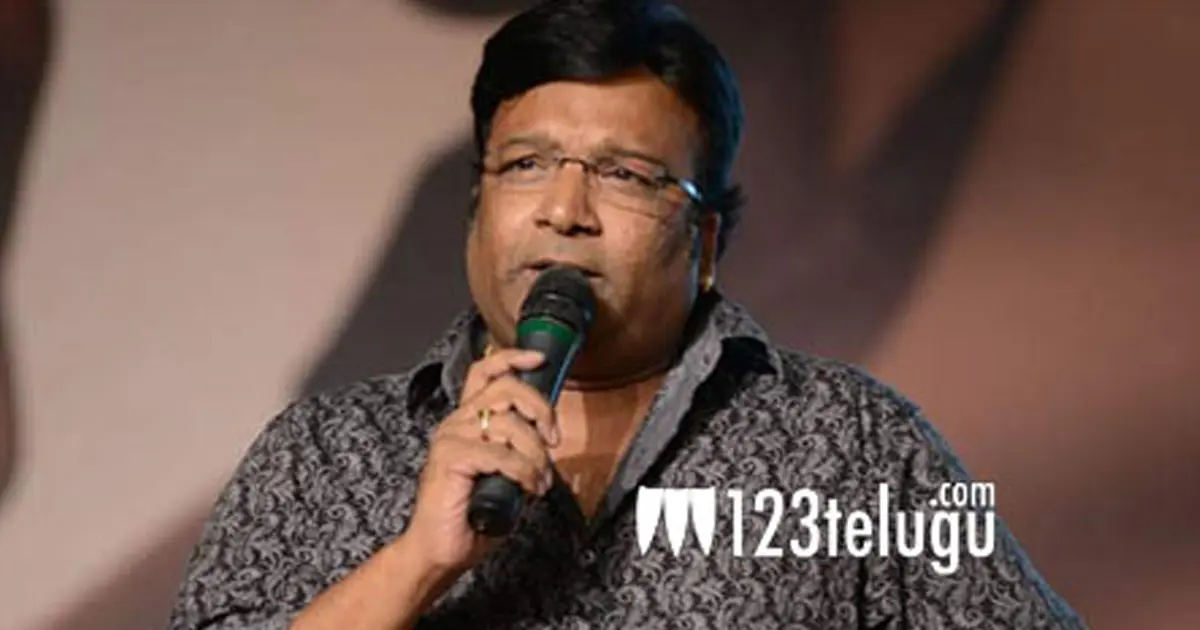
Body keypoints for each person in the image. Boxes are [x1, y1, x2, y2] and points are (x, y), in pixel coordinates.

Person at [168, 1, 1087, 628]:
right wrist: (419, 563)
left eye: (625, 175)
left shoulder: (858, 447)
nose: (565, 209)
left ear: (706, 240)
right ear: (476, 207)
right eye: (527, 165)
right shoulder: (321, 457)